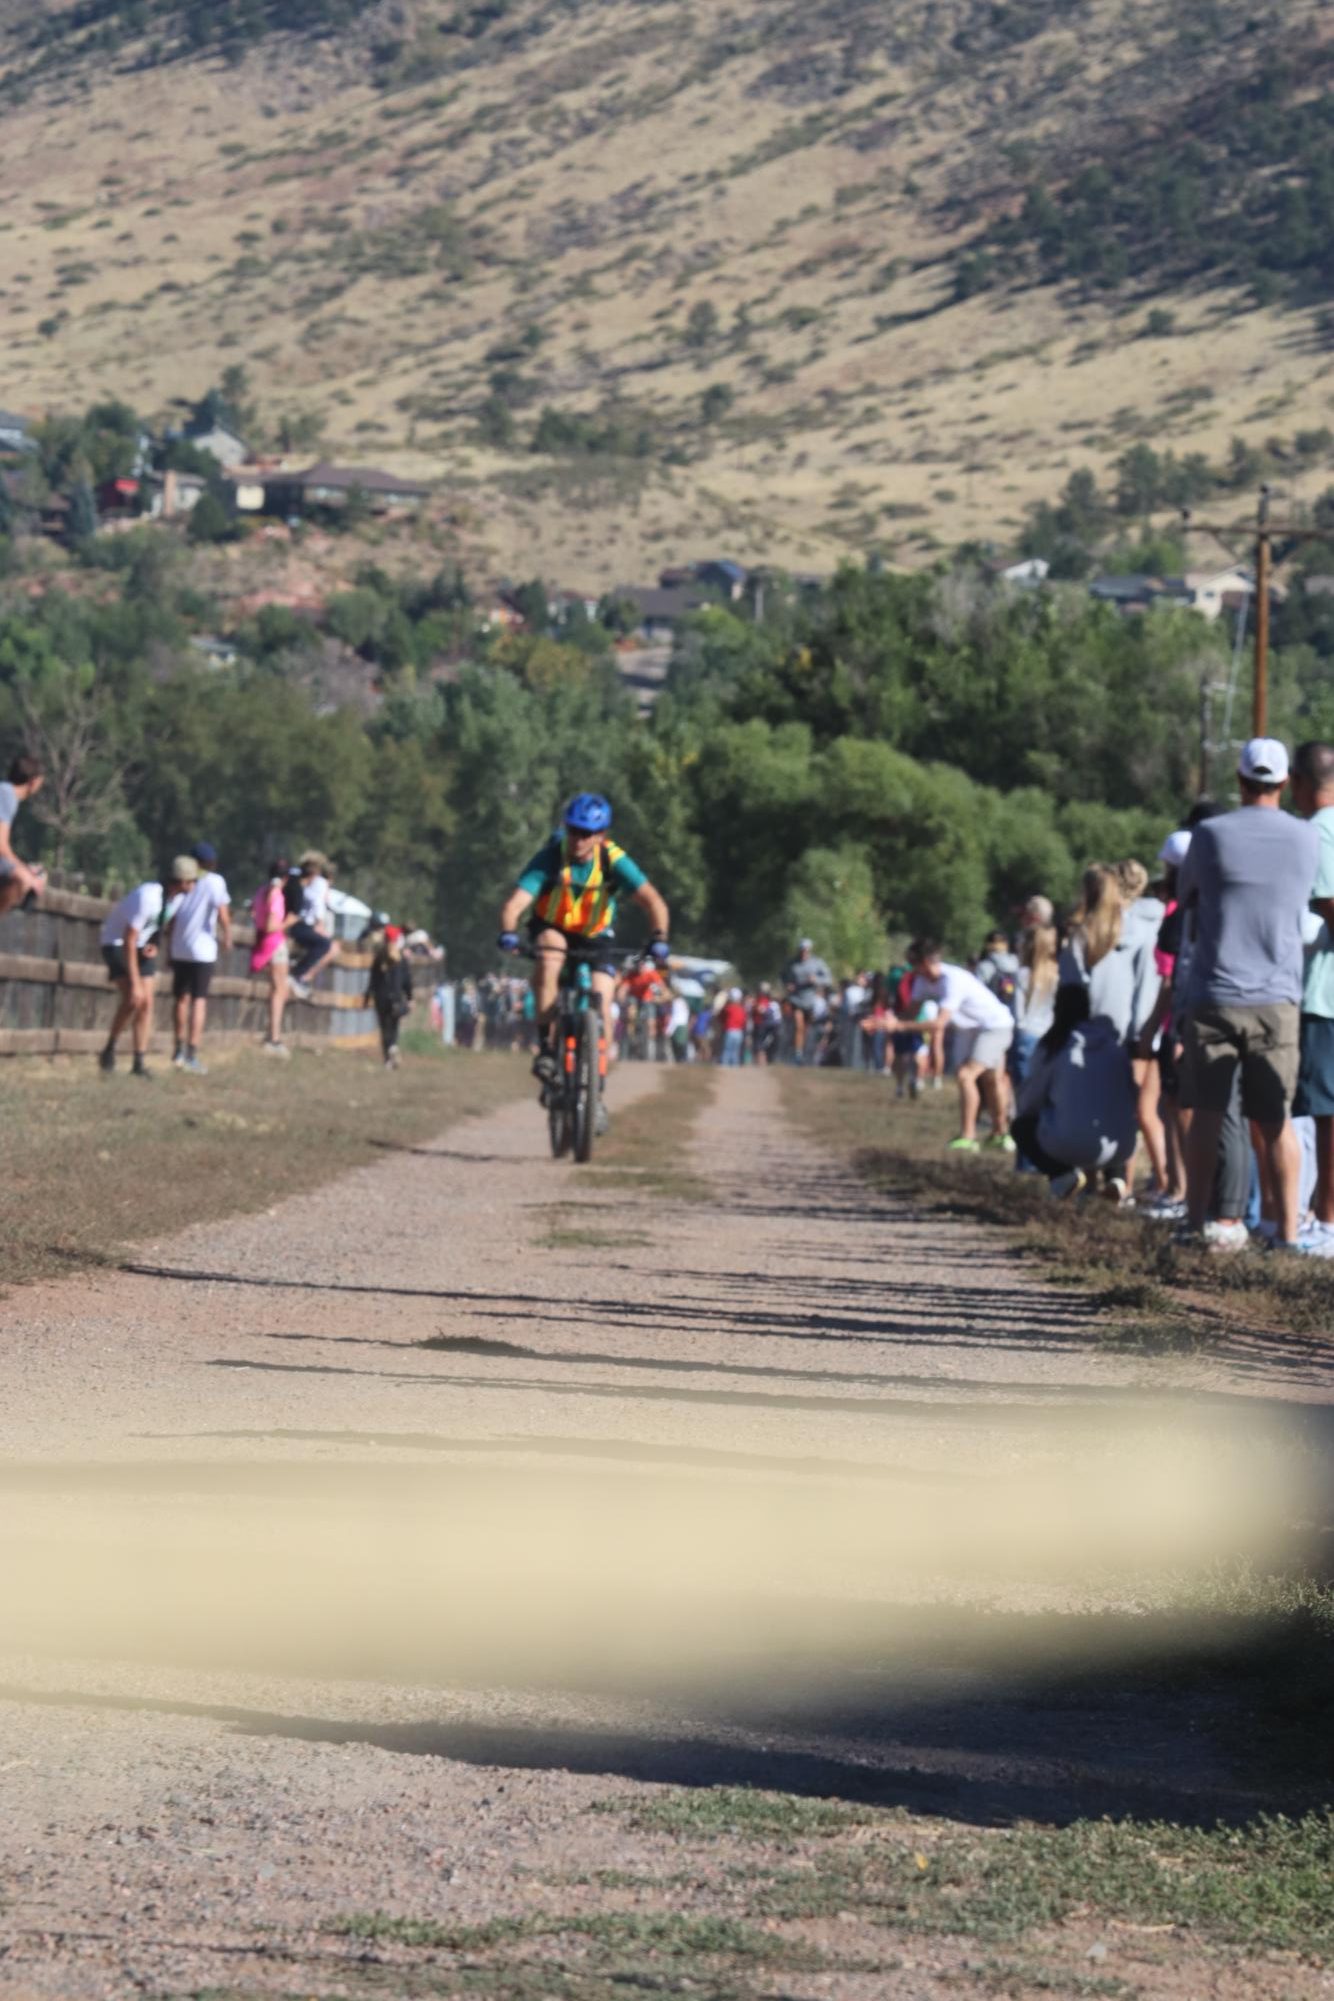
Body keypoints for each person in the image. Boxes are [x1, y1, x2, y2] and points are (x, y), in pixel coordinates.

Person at [1176, 739, 1317, 1251]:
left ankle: (1193, 1224)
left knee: (1206, 1115)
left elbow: (1186, 897)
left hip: (1214, 991)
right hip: (1278, 998)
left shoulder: (1209, 835)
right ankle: (1288, 1234)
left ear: (1239, 781)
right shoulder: (1307, 839)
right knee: (1276, 1119)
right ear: (1283, 783)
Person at [496, 794, 670, 1127]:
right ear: (566, 828)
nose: (579, 839)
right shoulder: (550, 857)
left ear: (602, 834)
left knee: (603, 1002)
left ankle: (596, 1095)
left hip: (595, 933)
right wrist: (508, 931)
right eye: (574, 830)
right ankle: (548, 1047)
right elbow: (515, 904)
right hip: (552, 926)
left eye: (588, 833)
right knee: (549, 958)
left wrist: (659, 938)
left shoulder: (613, 860)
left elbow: (654, 902)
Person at [1012, 985, 1137, 1199]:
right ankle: (1117, 1178)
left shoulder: (1054, 1046)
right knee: (1110, 1118)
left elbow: (1029, 1102)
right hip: (1120, 1146)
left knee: (1021, 1127)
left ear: (1056, 1008)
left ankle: (1063, 1176)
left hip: (1067, 1144)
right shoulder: (1114, 1046)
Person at [907, 942, 1015, 1152]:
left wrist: (897, 1025)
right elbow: (910, 1013)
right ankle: (1000, 1134)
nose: (912, 968)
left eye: (914, 963)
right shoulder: (922, 980)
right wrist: (885, 1021)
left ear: (926, 962)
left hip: (995, 1026)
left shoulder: (952, 979)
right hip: (971, 1030)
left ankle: (969, 1136)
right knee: (991, 1080)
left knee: (967, 1075)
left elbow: (939, 1023)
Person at [1291, 740, 1334, 1255]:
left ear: (1299, 784)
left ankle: (1324, 1220)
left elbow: (1327, 903)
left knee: (1324, 1112)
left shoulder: (1317, 833)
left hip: (1323, 992)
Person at [163, 844, 232, 1075]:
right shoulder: (215, 882)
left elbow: (171, 917)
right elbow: (222, 912)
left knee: (181, 999)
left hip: (180, 947)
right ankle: (192, 1053)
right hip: (203, 949)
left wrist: (169, 950)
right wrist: (227, 936)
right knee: (199, 1000)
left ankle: (178, 1050)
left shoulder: (182, 881)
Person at [98, 872, 171, 1077]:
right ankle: (109, 1049)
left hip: (142, 947)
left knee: (146, 1003)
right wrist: (135, 982)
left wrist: (155, 944)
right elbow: (129, 938)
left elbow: (161, 923)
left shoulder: (177, 898)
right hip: (117, 945)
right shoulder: (148, 896)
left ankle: (138, 1062)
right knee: (133, 998)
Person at [250, 856, 294, 1057]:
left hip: (262, 942)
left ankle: (271, 1034)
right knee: (279, 990)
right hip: (274, 943)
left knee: (275, 989)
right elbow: (270, 925)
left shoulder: (261, 891)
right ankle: (274, 1037)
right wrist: (289, 922)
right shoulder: (275, 894)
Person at [0, 753, 47, 917]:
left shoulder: (6, 792)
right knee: (24, 879)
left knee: (30, 873)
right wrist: (25, 871)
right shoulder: (7, 795)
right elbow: (1, 846)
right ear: (33, 781)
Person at [288, 852, 340, 998]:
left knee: (328, 945)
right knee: (326, 945)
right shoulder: (320, 884)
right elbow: (318, 905)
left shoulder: (306, 882)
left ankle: (302, 973)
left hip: (300, 925)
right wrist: (320, 925)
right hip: (304, 925)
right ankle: (300, 974)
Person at [367, 924, 413, 1068]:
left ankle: (387, 1059)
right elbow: (407, 980)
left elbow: (372, 980)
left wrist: (367, 997)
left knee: (384, 1027)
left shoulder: (379, 957)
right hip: (397, 997)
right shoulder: (401, 958)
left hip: (380, 997)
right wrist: (410, 997)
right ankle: (393, 1046)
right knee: (393, 1026)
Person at [783, 938, 833, 1064]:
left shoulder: (817, 963)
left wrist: (816, 980)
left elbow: (828, 979)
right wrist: (788, 984)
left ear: (809, 950)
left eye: (805, 950)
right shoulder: (792, 963)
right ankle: (797, 1055)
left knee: (806, 1029)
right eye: (801, 950)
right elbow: (783, 975)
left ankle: (802, 1052)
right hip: (796, 999)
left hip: (810, 1000)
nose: (803, 952)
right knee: (798, 1026)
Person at [751, 982, 781, 1065]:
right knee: (760, 1043)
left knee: (760, 1043)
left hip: (762, 1025)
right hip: (761, 1024)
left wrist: (756, 1007)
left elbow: (761, 1010)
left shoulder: (763, 1000)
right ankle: (759, 1061)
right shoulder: (762, 1000)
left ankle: (761, 1061)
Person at [718, 987, 747, 1066]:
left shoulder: (728, 1008)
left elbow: (721, 1017)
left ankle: (724, 1067)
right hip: (739, 1032)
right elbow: (744, 1021)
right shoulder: (741, 1009)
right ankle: (735, 1068)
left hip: (730, 1031)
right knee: (735, 1052)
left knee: (727, 1051)